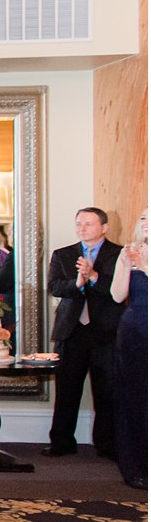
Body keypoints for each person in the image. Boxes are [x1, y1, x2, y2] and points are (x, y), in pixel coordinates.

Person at [44, 206, 124, 458]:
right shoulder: (63, 254)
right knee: (67, 389)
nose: (82, 228)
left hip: (106, 331)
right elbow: (54, 287)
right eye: (79, 223)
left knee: (106, 390)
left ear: (104, 227)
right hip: (72, 330)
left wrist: (93, 276)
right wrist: (76, 283)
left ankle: (106, 445)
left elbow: (119, 292)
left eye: (88, 223)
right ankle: (61, 442)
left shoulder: (119, 254)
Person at [110, 208, 147, 489]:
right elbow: (117, 294)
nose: (146, 223)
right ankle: (134, 466)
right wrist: (125, 264)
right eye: (143, 217)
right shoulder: (130, 251)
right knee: (133, 396)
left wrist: (145, 267)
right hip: (134, 330)